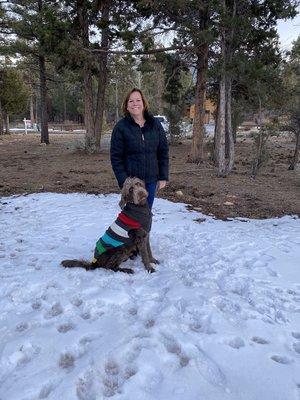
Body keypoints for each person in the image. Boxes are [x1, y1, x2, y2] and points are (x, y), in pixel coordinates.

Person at [110, 88, 169, 210]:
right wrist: (125, 183)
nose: (135, 103)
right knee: (133, 218)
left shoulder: (155, 125)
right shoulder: (121, 127)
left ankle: (145, 230)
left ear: (144, 103)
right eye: (131, 101)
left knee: (146, 216)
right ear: (126, 106)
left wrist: (163, 176)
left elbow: (163, 152)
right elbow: (116, 158)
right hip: (132, 184)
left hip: (151, 181)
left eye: (138, 100)